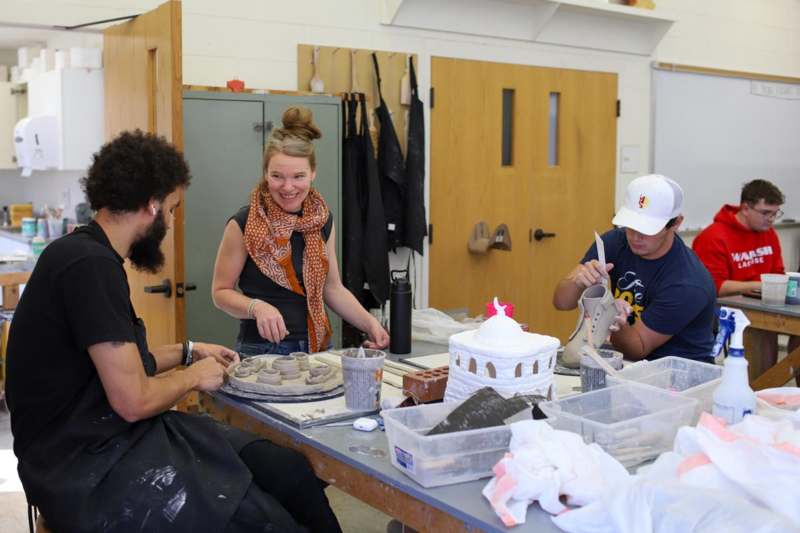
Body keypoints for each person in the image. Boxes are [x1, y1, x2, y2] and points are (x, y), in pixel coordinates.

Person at [6, 131, 341, 533]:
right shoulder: (88, 267)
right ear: (151, 205)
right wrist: (193, 377)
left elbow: (128, 364)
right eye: (171, 208)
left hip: (115, 433)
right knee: (264, 521)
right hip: (84, 461)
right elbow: (132, 399)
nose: (171, 220)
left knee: (287, 471)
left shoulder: (89, 254)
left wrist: (189, 350)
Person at [212, 106, 389, 356]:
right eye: (277, 176)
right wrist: (257, 307)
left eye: (298, 176)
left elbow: (332, 288)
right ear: (265, 173)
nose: (288, 187)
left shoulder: (321, 220)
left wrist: (370, 324)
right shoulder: (243, 223)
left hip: (318, 348)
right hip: (262, 351)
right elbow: (220, 293)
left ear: (313, 173)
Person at [553, 174, 717, 363]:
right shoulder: (615, 242)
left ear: (676, 223)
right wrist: (578, 281)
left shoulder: (688, 283)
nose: (635, 236)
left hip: (675, 373)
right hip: (627, 361)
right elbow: (562, 303)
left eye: (648, 229)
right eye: (631, 225)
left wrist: (612, 318)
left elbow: (637, 349)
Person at [693, 178, 798, 370]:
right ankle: (758, 387)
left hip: (762, 306)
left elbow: (777, 273)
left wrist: (770, 285)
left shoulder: (768, 233)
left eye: (775, 214)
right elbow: (714, 287)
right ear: (745, 208)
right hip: (724, 311)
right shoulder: (713, 237)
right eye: (766, 213)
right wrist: (762, 285)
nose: (771, 219)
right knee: (760, 329)